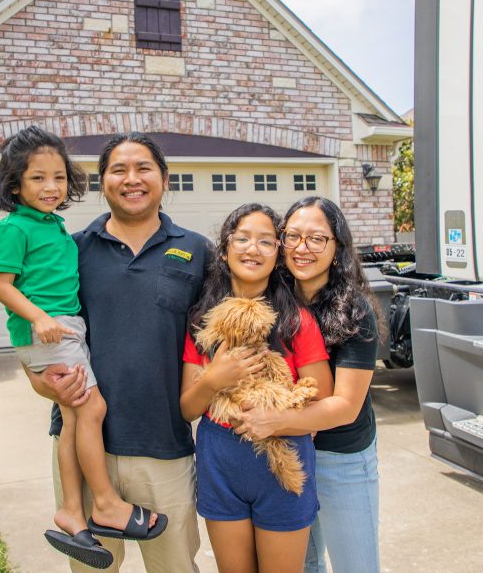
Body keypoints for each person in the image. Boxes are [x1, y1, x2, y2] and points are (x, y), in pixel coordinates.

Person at [28, 132, 210, 573]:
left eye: (143, 168)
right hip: (83, 447)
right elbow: (37, 329)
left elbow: (213, 344)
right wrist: (41, 383)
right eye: (118, 169)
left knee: (175, 566)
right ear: (101, 181)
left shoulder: (199, 251)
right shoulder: (69, 249)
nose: (132, 179)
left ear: (165, 179)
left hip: (165, 447)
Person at [0, 127, 165, 570]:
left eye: (58, 178)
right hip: (50, 331)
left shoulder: (54, 226)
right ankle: (104, 503)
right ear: (15, 185)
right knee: (91, 409)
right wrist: (40, 320)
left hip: (64, 328)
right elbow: (1, 286)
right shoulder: (13, 227)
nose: (51, 187)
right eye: (37, 179)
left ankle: (72, 509)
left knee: (75, 416)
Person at [180, 203, 333, 573]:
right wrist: (214, 379)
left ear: (278, 254)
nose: (253, 249)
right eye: (242, 238)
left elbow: (324, 402)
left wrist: (276, 419)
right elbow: (187, 408)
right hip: (221, 460)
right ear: (224, 248)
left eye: (266, 241)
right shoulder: (202, 322)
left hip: (283, 462)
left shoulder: (297, 321)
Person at [234, 196, 382, 573]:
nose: (302, 248)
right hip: (288, 454)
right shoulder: (269, 300)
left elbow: (346, 406)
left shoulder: (355, 310)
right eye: (293, 237)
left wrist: (273, 421)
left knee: (356, 565)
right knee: (304, 565)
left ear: (336, 249)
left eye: (317, 239)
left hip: (341, 457)